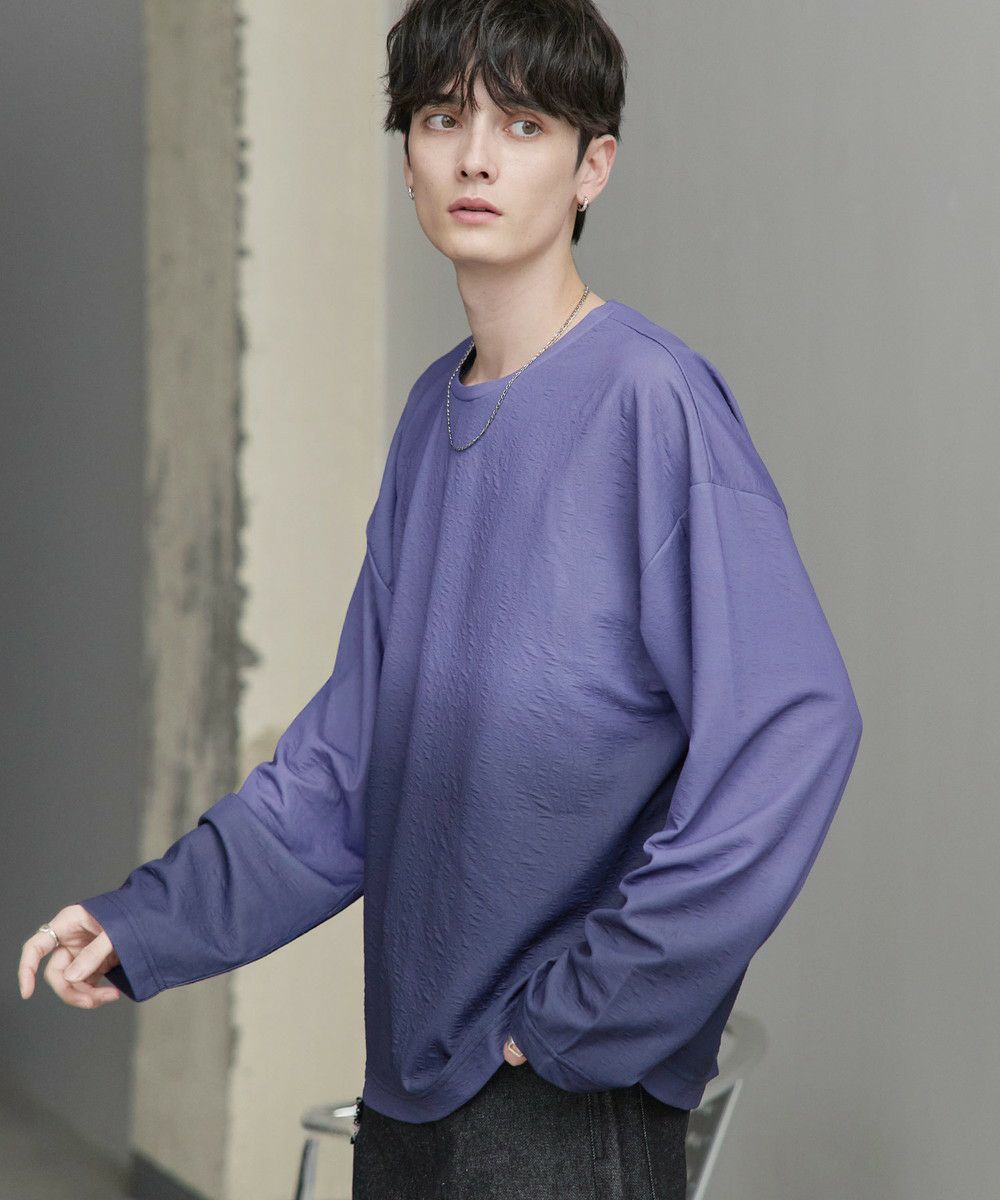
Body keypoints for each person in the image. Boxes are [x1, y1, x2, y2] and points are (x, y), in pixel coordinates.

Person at [18, 2, 864, 1197]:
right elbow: (348, 767)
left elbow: (793, 727)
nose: (473, 157)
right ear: (406, 155)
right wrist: (147, 923)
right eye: (439, 118)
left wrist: (583, 1014)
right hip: (412, 1090)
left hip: (557, 1105)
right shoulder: (432, 418)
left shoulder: (650, 403)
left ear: (592, 167)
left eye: (522, 125)